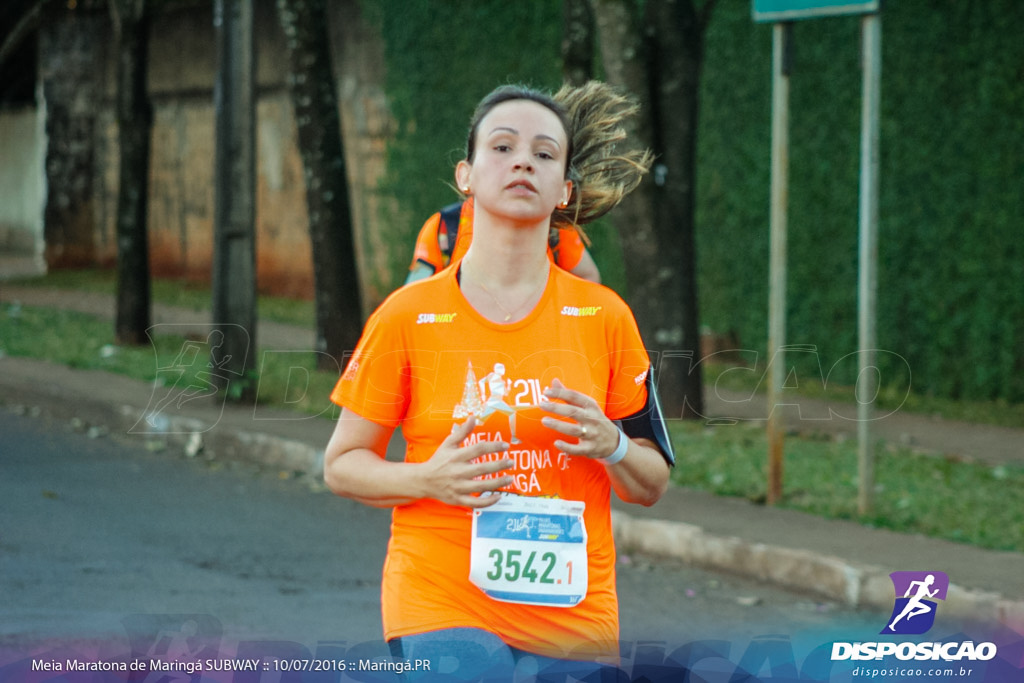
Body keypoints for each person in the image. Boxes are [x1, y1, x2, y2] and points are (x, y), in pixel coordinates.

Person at [324, 81, 673, 680]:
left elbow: (651, 482)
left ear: (564, 189)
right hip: (438, 600)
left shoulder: (605, 317)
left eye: (543, 154)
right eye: (503, 147)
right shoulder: (407, 316)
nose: (522, 162)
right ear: (466, 175)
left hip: (574, 618)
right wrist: (425, 477)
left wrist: (611, 442)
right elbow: (342, 463)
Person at [404, 196, 602, 284]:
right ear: (467, 174)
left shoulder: (552, 224)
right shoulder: (444, 227)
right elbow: (413, 297)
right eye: (501, 149)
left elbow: (588, 278)